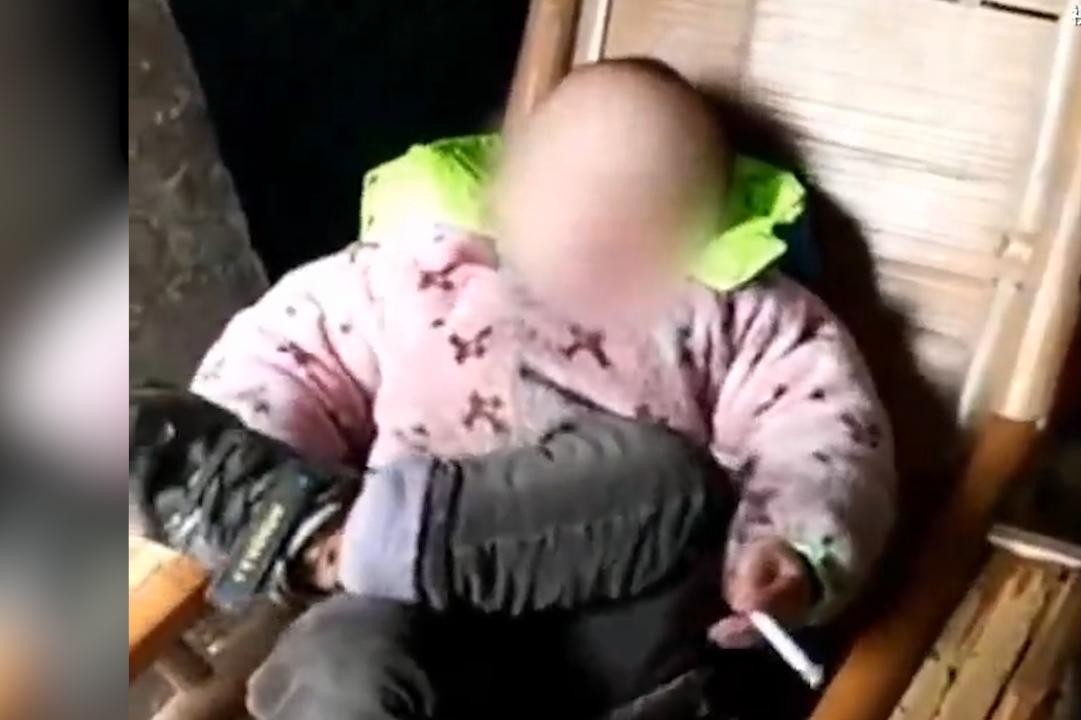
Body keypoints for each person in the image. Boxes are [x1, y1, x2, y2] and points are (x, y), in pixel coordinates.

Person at [130, 58, 895, 719]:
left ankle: (338, 540)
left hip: (620, 651)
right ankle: (317, 533)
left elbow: (821, 427)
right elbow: (294, 352)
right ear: (505, 187)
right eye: (567, 185)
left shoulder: (737, 311)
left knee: (671, 481)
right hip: (411, 622)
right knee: (340, 660)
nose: (597, 220)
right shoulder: (419, 270)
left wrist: (794, 544)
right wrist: (252, 435)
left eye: (645, 201)